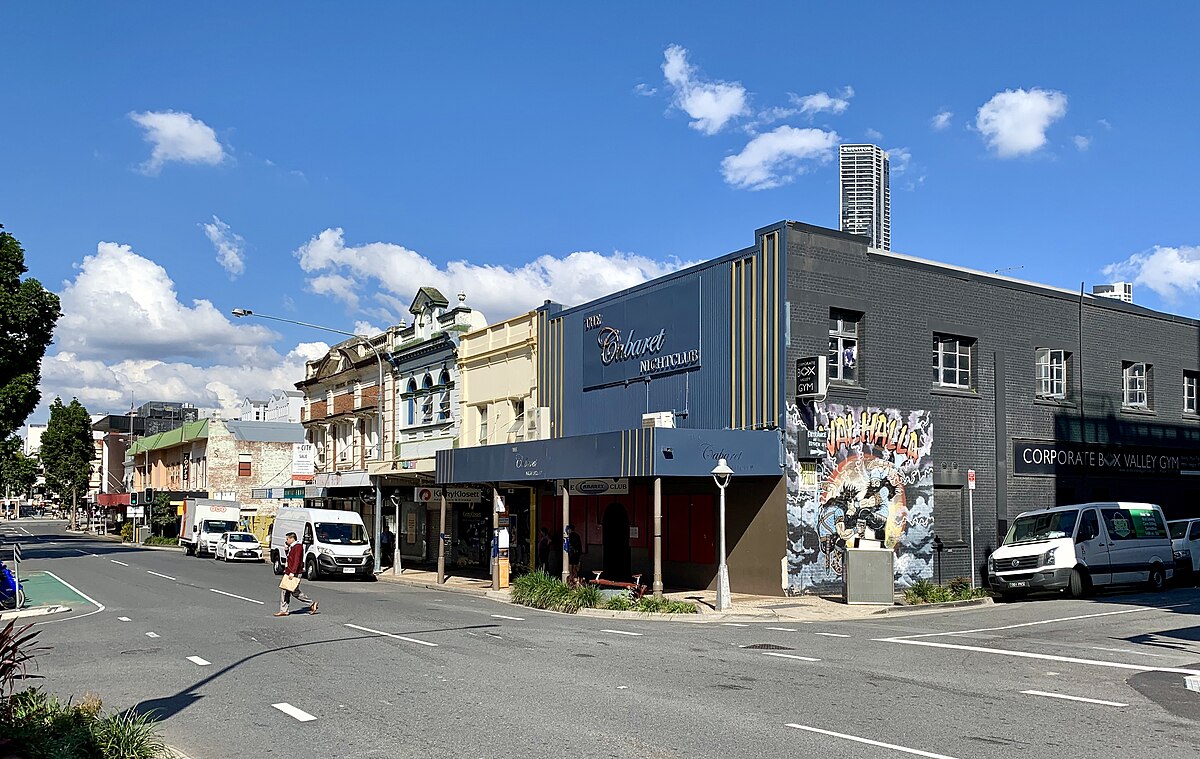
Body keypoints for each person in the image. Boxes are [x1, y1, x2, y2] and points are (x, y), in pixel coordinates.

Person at [275, 532, 318, 617]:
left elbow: (297, 560)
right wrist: (286, 549)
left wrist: (293, 572)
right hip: (289, 572)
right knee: (286, 591)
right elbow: (290, 558)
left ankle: (312, 603)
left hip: (294, 573)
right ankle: (284, 610)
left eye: (287, 539)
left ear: (292, 538)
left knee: (294, 592)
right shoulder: (292, 547)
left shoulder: (298, 547)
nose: (286, 541)